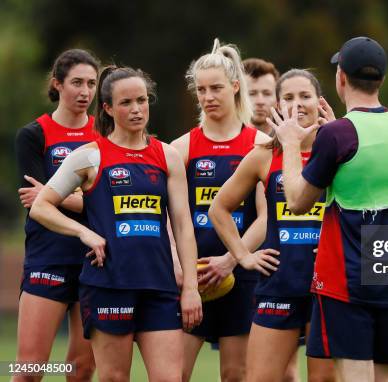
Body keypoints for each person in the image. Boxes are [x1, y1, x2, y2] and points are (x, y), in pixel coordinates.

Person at [30, 65, 202, 381]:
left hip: (159, 287)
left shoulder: (167, 156)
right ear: (108, 108)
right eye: (126, 103)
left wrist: (190, 286)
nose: (137, 109)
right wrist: (84, 232)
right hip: (108, 286)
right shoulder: (89, 157)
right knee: (114, 377)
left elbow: (183, 225)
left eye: (142, 100)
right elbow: (41, 208)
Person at [270, 37, 388, 382]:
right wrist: (339, 130)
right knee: (385, 375)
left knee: (354, 374)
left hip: (346, 267)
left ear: (340, 78)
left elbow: (296, 200)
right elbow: (368, 168)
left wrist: (291, 143)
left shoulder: (338, 134)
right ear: (381, 79)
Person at [209, 69, 336, 382]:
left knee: (324, 380)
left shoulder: (340, 152)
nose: (298, 104)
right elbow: (219, 209)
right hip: (278, 284)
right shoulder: (264, 155)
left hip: (328, 286)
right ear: (279, 106)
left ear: (319, 102)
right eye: (289, 98)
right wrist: (243, 256)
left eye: (305, 96)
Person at [171, 39, 270, 382]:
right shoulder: (181, 148)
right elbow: (169, 218)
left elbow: (265, 217)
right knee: (173, 374)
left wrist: (232, 259)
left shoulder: (258, 145)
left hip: (240, 277)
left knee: (234, 375)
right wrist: (180, 269)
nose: (208, 96)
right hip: (191, 279)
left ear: (235, 87)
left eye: (216, 88)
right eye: (201, 90)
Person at [14, 48, 99, 382]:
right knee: (30, 369)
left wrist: (55, 195)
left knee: (82, 369)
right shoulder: (34, 135)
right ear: (57, 85)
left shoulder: (103, 136)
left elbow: (48, 197)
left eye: (91, 83)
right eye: (76, 82)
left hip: (94, 260)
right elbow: (34, 201)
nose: (85, 92)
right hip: (47, 259)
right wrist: (83, 197)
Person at [244, 56, 302, 382]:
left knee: (288, 370)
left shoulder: (293, 148)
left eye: (267, 92)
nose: (261, 100)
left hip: (279, 268)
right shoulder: (244, 146)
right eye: (254, 93)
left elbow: (271, 215)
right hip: (240, 273)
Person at [244, 58, 279, 136]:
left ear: (277, 99)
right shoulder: (222, 138)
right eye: (252, 94)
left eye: (267, 94)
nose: (260, 101)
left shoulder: (289, 140)